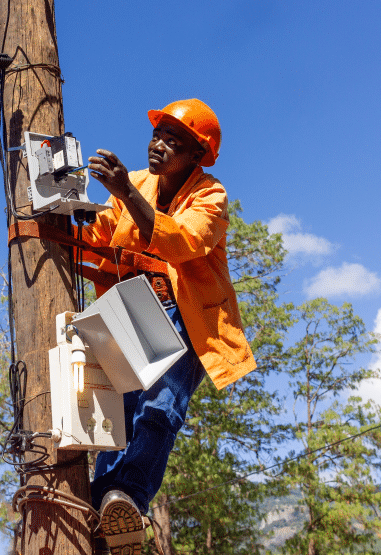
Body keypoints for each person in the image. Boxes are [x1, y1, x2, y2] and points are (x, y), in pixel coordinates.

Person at [82, 98, 256, 554]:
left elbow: (184, 242)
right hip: (133, 311)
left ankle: (127, 500)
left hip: (185, 316)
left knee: (159, 410)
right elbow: (99, 237)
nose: (159, 146)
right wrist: (56, 216)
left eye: (173, 142)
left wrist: (127, 195)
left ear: (196, 156)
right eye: (158, 135)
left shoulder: (210, 195)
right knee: (116, 414)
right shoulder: (136, 185)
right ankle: (107, 509)